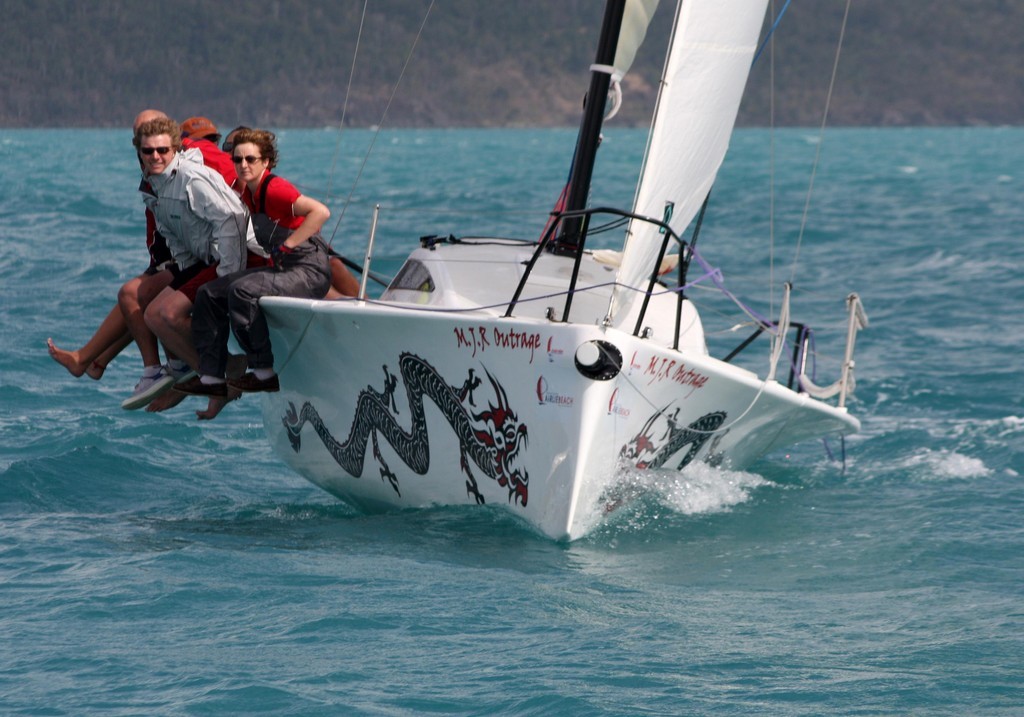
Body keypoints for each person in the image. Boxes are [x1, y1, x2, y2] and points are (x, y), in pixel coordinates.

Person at [176, 128, 332, 418]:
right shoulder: (247, 191)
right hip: (285, 268)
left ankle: (263, 372)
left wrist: (287, 245)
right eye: (238, 159)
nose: (243, 164)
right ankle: (212, 377)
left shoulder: (275, 188)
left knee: (242, 291)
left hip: (308, 270)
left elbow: (320, 212)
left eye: (251, 159)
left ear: (267, 162)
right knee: (209, 293)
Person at [47, 109, 184, 408]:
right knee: (132, 297)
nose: (152, 153)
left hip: (183, 259)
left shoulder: (182, 168)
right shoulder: (152, 169)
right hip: (164, 256)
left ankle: (158, 373)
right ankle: (92, 360)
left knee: (136, 294)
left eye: (159, 147)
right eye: (143, 145)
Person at [134, 118, 268, 413]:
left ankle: (220, 381)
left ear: (175, 148)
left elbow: (232, 219)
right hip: (207, 258)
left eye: (163, 150)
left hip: (239, 256)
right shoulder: (153, 185)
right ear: (138, 152)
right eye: (148, 151)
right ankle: (223, 373)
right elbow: (174, 233)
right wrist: (185, 270)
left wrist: (225, 280)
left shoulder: (192, 178)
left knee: (161, 314)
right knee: (153, 313)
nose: (156, 156)